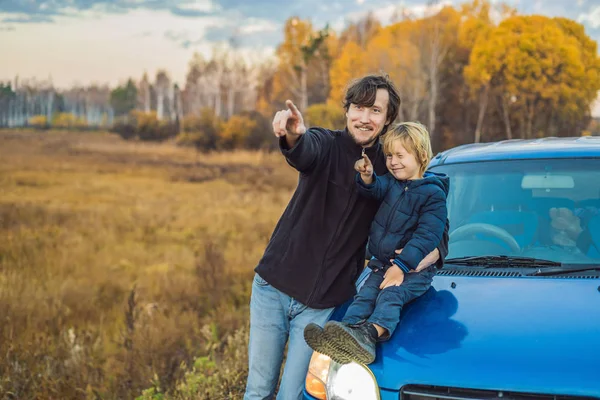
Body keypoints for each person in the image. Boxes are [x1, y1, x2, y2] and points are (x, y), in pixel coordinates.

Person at [244, 74, 449, 400]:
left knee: (291, 396)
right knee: (257, 391)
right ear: (348, 110)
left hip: (323, 303)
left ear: (387, 119)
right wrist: (294, 137)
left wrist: (408, 262)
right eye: (359, 107)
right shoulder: (325, 144)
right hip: (275, 287)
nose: (365, 118)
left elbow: (435, 227)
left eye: (375, 111)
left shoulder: (395, 167)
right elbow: (303, 150)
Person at [304, 122, 449, 365]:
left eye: (400, 156)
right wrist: (368, 176)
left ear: (422, 156)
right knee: (364, 295)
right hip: (381, 264)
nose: (393, 162)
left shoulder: (433, 194)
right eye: (390, 156)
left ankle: (369, 337)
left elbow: (428, 235)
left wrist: (401, 266)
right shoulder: (392, 183)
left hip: (413, 271)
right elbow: (375, 189)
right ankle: (344, 333)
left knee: (390, 296)